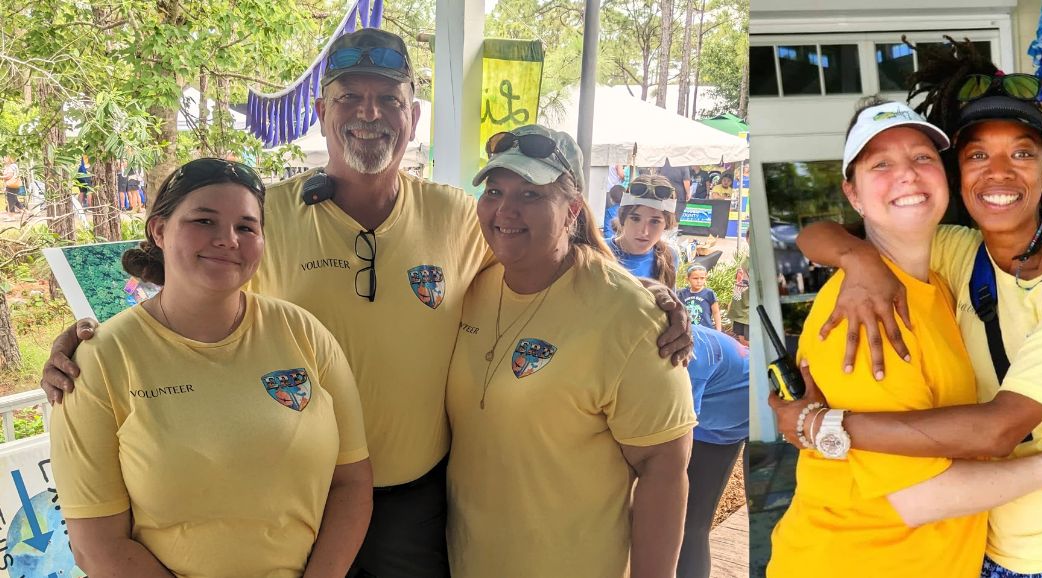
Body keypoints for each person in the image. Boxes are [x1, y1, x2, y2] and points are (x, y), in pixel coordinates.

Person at [38, 27, 695, 577]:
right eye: (349, 97)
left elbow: (549, 252)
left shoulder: (460, 215)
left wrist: (647, 290)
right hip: (295, 505)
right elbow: (188, 286)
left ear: (413, 115)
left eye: (390, 98)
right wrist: (85, 338)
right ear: (322, 113)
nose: (370, 113)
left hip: (422, 501)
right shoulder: (271, 215)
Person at [778, 45, 1042, 576]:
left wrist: (821, 424)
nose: (1000, 173)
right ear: (959, 174)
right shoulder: (939, 262)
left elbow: (997, 431)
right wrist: (855, 256)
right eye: (977, 155)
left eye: (1024, 153)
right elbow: (819, 234)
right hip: (984, 552)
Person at [50, 158, 373, 577]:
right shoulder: (101, 361)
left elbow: (351, 482)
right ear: (159, 231)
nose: (227, 240)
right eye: (204, 220)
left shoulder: (302, 332)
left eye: (246, 226)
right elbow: (96, 545)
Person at [447, 124, 697, 577]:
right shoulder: (474, 283)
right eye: (495, 191)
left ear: (572, 210)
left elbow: (664, 468)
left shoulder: (631, 318)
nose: (505, 210)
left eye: (531, 195)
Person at [678, 323, 752, 578]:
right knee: (685, 523)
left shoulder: (688, 362)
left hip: (761, 415)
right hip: (714, 424)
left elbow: (672, 447)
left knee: (691, 525)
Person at [611, 173, 680, 282]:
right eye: (635, 219)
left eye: (655, 221)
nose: (644, 231)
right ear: (623, 218)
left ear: (666, 224)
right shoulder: (598, 253)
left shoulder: (669, 257)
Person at [678, 264, 719, 329]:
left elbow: (716, 312)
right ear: (687, 279)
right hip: (688, 330)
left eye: (702, 278)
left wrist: (718, 331)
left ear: (706, 278)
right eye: (695, 278)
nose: (699, 281)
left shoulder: (709, 293)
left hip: (706, 330)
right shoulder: (682, 294)